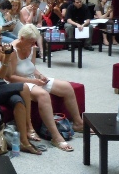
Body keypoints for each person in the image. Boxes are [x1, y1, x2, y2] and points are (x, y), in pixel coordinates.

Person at [7, 24, 84, 152]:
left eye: (34, 42)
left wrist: (41, 76)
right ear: (21, 38)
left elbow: (32, 67)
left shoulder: (31, 47)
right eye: (31, 42)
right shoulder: (12, 50)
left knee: (66, 87)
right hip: (20, 83)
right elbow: (10, 77)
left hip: (32, 78)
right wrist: (33, 81)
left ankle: (78, 123)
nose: (33, 45)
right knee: (43, 95)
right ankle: (56, 136)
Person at [0, 22, 41, 155]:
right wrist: (6, 57)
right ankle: (30, 126)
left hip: (1, 86)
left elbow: (8, 75)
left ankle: (24, 142)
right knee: (24, 87)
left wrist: (9, 56)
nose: (1, 37)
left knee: (18, 100)